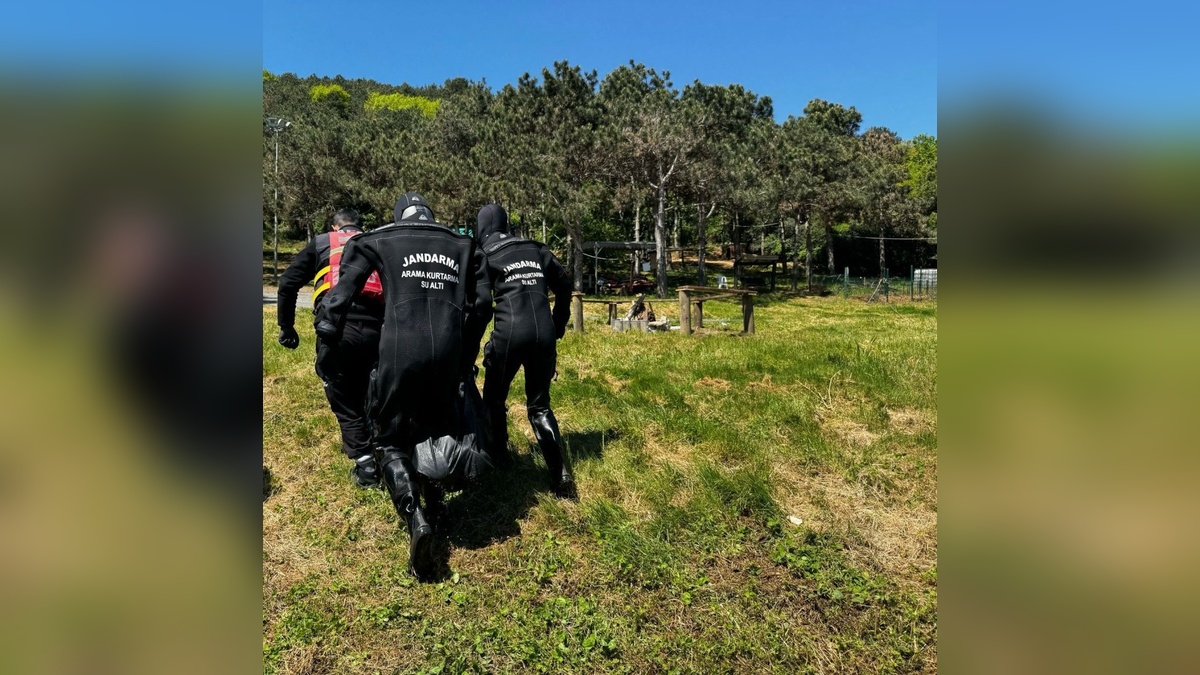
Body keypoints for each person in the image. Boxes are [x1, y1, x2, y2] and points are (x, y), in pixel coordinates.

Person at [315, 193, 491, 580]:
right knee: (436, 423)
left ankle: (418, 520)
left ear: (400, 216)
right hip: (447, 349)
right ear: (431, 215)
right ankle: (437, 501)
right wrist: (466, 351)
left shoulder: (378, 239)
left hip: (398, 348)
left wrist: (327, 333)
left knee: (389, 438)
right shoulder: (462, 244)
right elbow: (482, 303)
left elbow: (341, 293)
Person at [276, 208, 385, 488]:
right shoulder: (380, 240)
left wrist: (287, 327)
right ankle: (385, 449)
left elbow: (287, 284)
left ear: (335, 228)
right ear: (359, 227)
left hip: (336, 328)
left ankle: (366, 465)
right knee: (375, 390)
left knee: (342, 394)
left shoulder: (323, 242)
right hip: (379, 327)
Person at [474, 204, 576, 498]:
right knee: (540, 405)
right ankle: (560, 474)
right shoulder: (536, 248)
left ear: (481, 228)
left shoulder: (484, 255)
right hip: (544, 333)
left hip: (509, 334)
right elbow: (565, 283)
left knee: (493, 399)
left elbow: (480, 304)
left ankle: (500, 458)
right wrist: (558, 322)